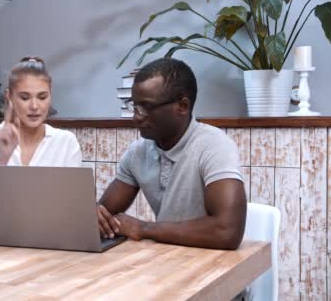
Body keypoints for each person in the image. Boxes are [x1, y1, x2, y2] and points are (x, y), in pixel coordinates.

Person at [98, 58, 246, 250]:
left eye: (146, 107)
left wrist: (144, 228)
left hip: (212, 268)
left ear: (182, 106)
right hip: (167, 262)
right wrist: (96, 215)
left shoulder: (214, 146)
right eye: (134, 106)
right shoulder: (138, 152)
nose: (136, 116)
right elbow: (104, 213)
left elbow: (227, 232)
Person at [0, 56, 82, 210]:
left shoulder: (66, 142)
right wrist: (3, 158)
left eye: (42, 97)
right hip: (1, 233)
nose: (35, 106)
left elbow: (73, 205)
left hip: (51, 233)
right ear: (9, 97)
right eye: (25, 97)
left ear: (50, 96)